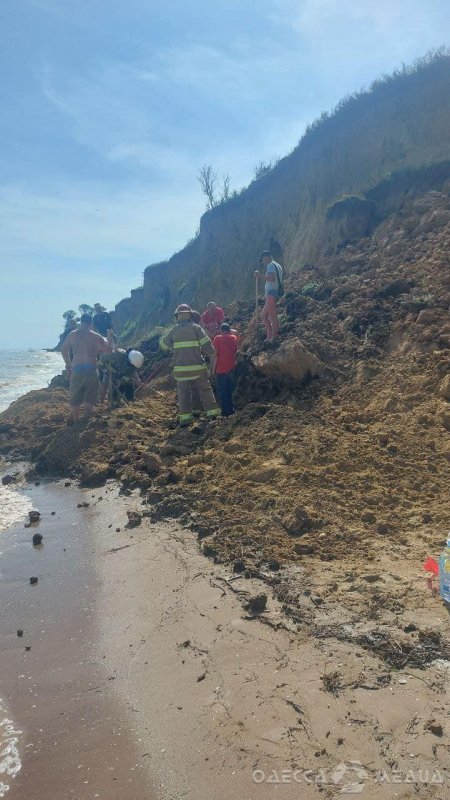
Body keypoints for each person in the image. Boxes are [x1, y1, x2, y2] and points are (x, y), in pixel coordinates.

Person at [160, 304, 220, 427]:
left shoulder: (173, 330)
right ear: (190, 315)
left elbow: (163, 345)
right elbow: (206, 345)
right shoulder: (196, 328)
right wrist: (214, 353)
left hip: (181, 371)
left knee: (183, 395)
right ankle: (212, 414)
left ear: (177, 317)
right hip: (197, 368)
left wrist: (173, 347)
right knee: (205, 390)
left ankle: (186, 419)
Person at [61, 314, 112, 421]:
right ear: (91, 323)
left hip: (77, 368)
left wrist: (69, 364)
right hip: (91, 368)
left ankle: (76, 422)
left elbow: (64, 350)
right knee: (90, 396)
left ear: (81, 323)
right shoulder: (96, 336)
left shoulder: (72, 335)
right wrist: (109, 338)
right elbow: (108, 351)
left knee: (75, 397)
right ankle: (87, 419)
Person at [254, 250, 283, 343]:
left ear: (266, 257)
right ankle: (269, 335)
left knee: (272, 316)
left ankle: (274, 337)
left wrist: (259, 275)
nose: (262, 262)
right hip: (272, 293)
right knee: (264, 315)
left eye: (262, 260)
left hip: (272, 293)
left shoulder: (271, 265)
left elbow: (272, 278)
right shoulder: (277, 265)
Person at [212, 323, 239, 417]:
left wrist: (212, 371)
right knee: (229, 390)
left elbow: (215, 355)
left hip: (221, 369)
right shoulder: (234, 338)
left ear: (221, 330)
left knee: (222, 391)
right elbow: (235, 352)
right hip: (231, 369)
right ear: (229, 330)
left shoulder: (217, 338)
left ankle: (225, 412)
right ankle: (231, 410)